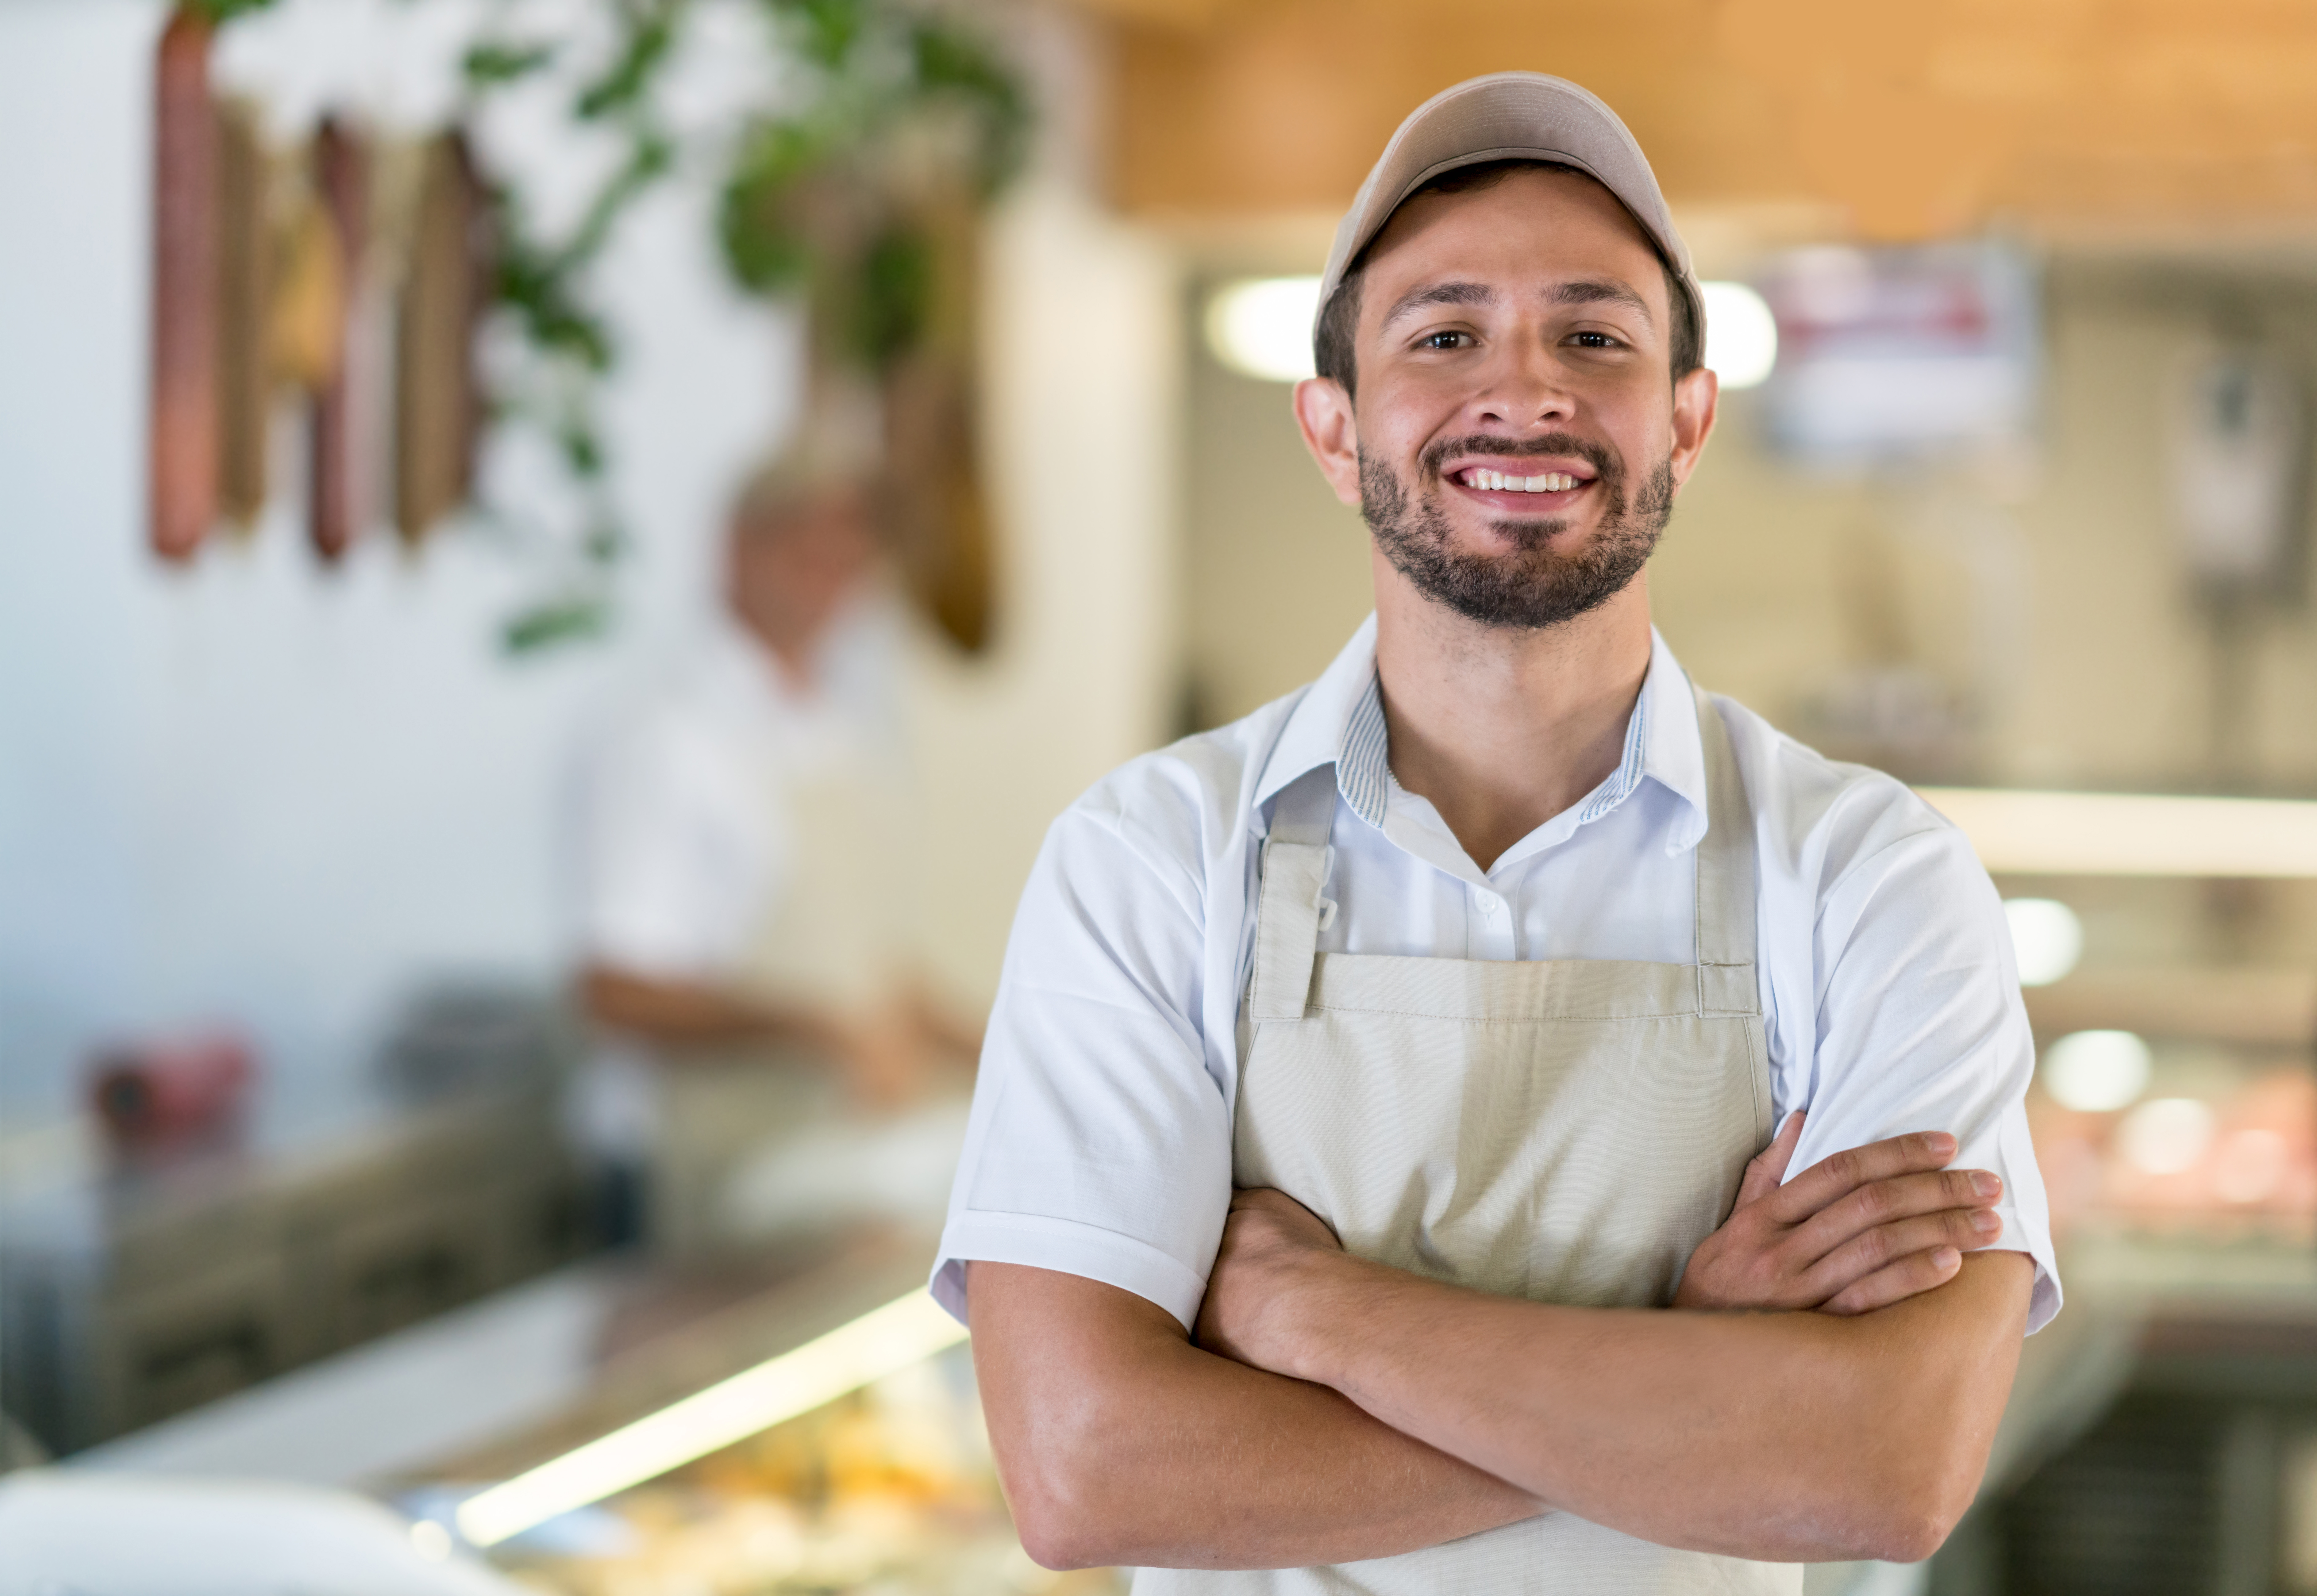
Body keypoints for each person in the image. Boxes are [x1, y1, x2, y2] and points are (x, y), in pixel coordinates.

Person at [935, 73, 2060, 1591]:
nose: (1522, 390)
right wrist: (1691, 1374)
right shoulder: (1147, 858)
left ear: (1685, 419)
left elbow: (1879, 1464)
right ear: (1333, 431)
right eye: (1442, 334)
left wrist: (1309, 1317)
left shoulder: (1867, 877)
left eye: (1592, 335)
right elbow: (1086, 1474)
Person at [575, 454, 977, 1250]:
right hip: (705, 1177)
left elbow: (871, 968)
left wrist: (1009, 1053)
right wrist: (816, 1032)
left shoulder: (841, 724)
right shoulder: (666, 737)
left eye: (851, 556)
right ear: (736, 548)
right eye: (808, 549)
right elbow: (614, 990)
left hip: (833, 1154)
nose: (831, 577)